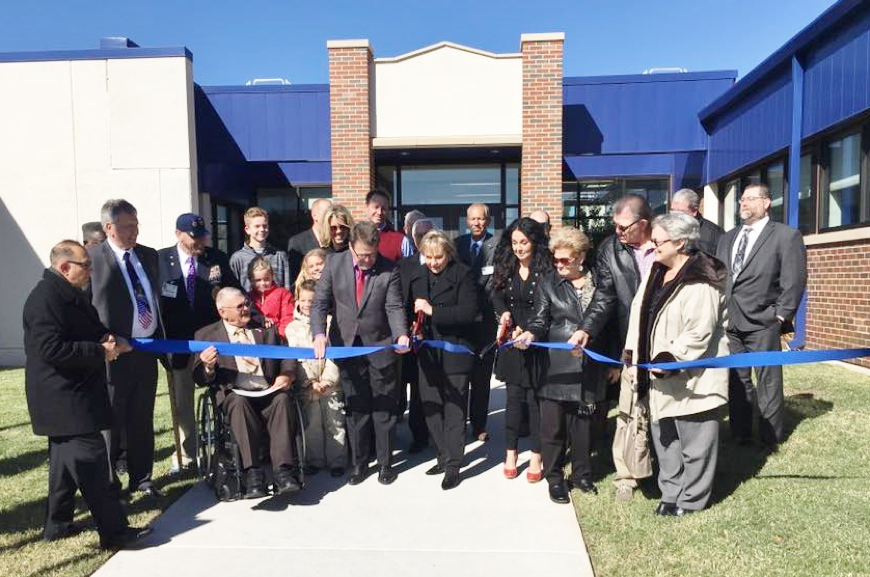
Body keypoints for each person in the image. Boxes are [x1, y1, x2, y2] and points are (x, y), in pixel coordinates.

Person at [23, 240, 151, 549]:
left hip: (76, 395)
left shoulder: (70, 295)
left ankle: (58, 524)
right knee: (94, 466)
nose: (91, 270)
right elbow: (50, 349)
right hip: (64, 399)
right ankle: (115, 532)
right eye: (86, 265)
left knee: (63, 469)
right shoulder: (45, 299)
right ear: (65, 268)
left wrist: (105, 337)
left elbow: (88, 328)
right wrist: (100, 351)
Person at [626, 213, 729, 515]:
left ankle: (692, 501)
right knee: (665, 439)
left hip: (692, 379)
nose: (653, 245)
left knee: (695, 443)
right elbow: (638, 316)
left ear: (681, 243)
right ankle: (670, 495)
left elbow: (699, 331)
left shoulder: (702, 278)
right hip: (657, 377)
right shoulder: (657, 271)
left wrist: (669, 360)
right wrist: (634, 357)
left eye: (659, 240)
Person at [310, 221, 411, 486]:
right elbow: (320, 302)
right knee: (357, 408)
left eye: (372, 254)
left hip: (380, 345)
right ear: (352, 246)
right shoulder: (334, 263)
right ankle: (360, 463)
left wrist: (401, 333)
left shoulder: (389, 269)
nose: (367, 259)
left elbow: (394, 306)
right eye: (362, 254)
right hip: (347, 345)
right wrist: (319, 333)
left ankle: (386, 463)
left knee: (383, 407)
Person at [515, 227, 605, 504]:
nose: (559, 264)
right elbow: (541, 319)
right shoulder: (548, 283)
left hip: (588, 364)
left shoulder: (599, 282)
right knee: (552, 429)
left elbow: (605, 316)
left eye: (565, 260)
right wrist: (530, 333)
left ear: (580, 257)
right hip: (555, 367)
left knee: (583, 426)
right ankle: (554, 478)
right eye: (556, 259)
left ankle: (582, 475)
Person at [575, 194, 656, 502]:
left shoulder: (666, 242)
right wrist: (587, 328)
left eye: (624, 226)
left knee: (659, 411)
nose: (618, 232)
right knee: (627, 410)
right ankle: (626, 475)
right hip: (629, 343)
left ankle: (661, 468)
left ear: (644, 224)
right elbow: (605, 296)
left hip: (664, 343)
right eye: (615, 225)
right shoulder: (611, 249)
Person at [716, 183, 807, 449]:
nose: (743, 203)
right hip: (730, 322)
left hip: (763, 321)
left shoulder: (785, 236)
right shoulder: (728, 238)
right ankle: (740, 433)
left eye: (750, 199)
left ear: (767, 202)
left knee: (767, 380)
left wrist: (781, 316)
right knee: (737, 378)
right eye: (742, 199)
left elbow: (794, 279)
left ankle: (771, 436)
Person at [193, 288, 301, 498]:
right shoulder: (206, 335)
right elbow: (198, 377)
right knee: (238, 402)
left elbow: (286, 354)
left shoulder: (264, 327)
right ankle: (253, 473)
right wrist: (208, 367)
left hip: (268, 389)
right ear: (223, 312)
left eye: (247, 304)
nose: (246, 309)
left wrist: (287, 374)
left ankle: (283, 471)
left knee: (282, 400)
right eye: (240, 306)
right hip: (237, 392)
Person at [87, 199, 162, 497]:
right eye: (128, 226)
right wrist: (102, 339)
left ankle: (142, 478)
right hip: (112, 355)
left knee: (142, 418)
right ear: (109, 227)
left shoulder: (148, 256)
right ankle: (109, 484)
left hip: (146, 352)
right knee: (111, 421)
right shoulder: (93, 260)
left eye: (136, 225)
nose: (135, 231)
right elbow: (83, 309)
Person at [158, 213, 240, 473]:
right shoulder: (160, 260)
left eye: (203, 235)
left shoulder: (216, 258)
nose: (200, 241)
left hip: (210, 341)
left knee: (221, 394)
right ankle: (187, 453)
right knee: (182, 402)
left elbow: (233, 290)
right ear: (178, 234)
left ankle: (225, 447)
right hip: (178, 343)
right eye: (194, 237)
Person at [410, 230, 479, 490]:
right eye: (428, 257)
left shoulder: (463, 275)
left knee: (454, 409)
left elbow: (468, 313)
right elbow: (412, 307)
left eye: (438, 257)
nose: (434, 262)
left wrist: (433, 311)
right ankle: (442, 454)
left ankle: (453, 465)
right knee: (430, 405)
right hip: (428, 353)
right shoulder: (420, 276)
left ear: (448, 254)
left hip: (456, 351)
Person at [491, 217, 552, 482]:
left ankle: (537, 455)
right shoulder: (506, 265)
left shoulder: (547, 270)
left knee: (535, 403)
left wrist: (530, 331)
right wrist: (504, 315)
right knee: (513, 401)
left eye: (524, 242)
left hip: (538, 343)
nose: (518, 247)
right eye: (515, 242)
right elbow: (496, 295)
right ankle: (511, 453)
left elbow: (548, 308)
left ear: (535, 241)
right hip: (512, 344)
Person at [285, 279, 346, 478]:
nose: (307, 304)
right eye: (303, 300)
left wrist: (327, 380)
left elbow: (334, 354)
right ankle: (314, 460)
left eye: (312, 300)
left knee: (335, 421)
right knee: (312, 423)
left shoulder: (330, 324)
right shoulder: (291, 328)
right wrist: (310, 381)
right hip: (308, 385)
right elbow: (296, 359)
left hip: (330, 385)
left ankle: (337, 460)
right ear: (297, 300)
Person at [454, 202, 498, 442]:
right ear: (467, 221)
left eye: (481, 219)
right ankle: (458, 423)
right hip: (462, 324)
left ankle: (479, 424)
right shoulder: (457, 244)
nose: (477, 223)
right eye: (472, 219)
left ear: (488, 221)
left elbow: (497, 281)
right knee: (460, 377)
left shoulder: (498, 245)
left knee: (481, 379)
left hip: (486, 324)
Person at [397, 218, 435, 453]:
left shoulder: (445, 262)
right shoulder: (404, 265)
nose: (422, 238)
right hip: (412, 337)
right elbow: (397, 301)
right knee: (416, 389)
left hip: (438, 335)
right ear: (412, 238)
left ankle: (437, 432)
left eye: (427, 233)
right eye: (418, 234)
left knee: (434, 387)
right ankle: (418, 436)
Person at [230, 207, 291, 292]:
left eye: (265, 226)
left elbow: (287, 289)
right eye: (257, 226)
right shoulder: (238, 258)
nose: (262, 229)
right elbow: (234, 290)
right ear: (247, 230)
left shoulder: (279, 256)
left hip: (276, 304)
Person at [287, 198, 332, 285]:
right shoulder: (297, 242)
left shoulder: (335, 242)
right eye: (327, 213)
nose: (330, 217)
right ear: (315, 216)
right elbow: (294, 276)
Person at [248, 257, 295, 339]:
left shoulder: (283, 293)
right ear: (251, 280)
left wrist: (280, 336)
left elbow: (287, 317)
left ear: (272, 277)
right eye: (258, 280)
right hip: (255, 337)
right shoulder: (248, 297)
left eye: (266, 279)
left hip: (277, 336)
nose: (263, 283)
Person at [670, 188, 723, 255]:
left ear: (694, 211)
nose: (675, 216)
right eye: (673, 211)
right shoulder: (667, 231)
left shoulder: (714, 234)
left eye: (680, 212)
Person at [365, 190, 407, 261]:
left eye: (383, 208)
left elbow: (411, 268)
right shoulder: (356, 237)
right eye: (376, 207)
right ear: (366, 207)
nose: (379, 212)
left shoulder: (401, 241)